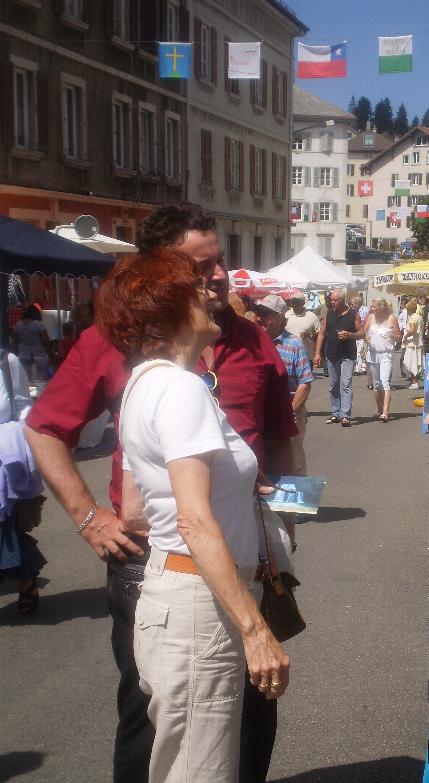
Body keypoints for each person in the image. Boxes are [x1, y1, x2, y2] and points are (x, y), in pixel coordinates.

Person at [25, 203, 298, 783]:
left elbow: (281, 438)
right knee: (158, 725)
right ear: (163, 282)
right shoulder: (137, 356)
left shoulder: (246, 340)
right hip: (176, 565)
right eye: (199, 269)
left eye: (219, 262)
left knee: (244, 718)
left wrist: (283, 523)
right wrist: (91, 518)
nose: (216, 277)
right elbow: (44, 427)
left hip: (240, 559)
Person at [95, 248, 290, 783]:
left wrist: (235, 490)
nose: (209, 291)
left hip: (176, 594)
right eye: (194, 286)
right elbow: (193, 521)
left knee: (183, 763)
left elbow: (137, 509)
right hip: (200, 603)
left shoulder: (142, 384)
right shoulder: (182, 389)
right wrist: (254, 630)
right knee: (200, 771)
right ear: (166, 312)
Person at [0, 348, 45, 614]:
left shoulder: (7, 361)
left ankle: (25, 582)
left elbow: (21, 406)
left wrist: (27, 448)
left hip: (3, 460)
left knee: (5, 529)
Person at [255, 295, 313, 477]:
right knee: (263, 459)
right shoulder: (254, 343)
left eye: (265, 314)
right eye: (258, 313)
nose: (259, 318)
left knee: (293, 461)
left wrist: (289, 413)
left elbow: (305, 383)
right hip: (261, 412)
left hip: (290, 410)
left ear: (280, 318)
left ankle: (296, 494)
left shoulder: (294, 344)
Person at [314, 289, 364, 427]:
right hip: (332, 354)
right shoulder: (329, 313)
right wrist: (317, 353)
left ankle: (345, 415)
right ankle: (336, 413)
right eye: (331, 300)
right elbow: (322, 333)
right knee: (334, 384)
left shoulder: (353, 314)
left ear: (343, 300)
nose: (332, 302)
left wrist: (350, 335)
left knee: (346, 384)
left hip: (348, 355)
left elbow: (362, 333)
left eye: (335, 300)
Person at [363, 299, 401, 422]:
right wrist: (366, 338)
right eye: (372, 306)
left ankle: (385, 412)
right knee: (376, 384)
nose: (371, 308)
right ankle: (379, 409)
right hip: (373, 354)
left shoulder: (391, 319)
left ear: (382, 307)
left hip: (386, 354)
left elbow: (399, 337)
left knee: (385, 382)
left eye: (374, 306)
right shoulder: (370, 317)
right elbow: (363, 332)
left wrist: (390, 335)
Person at [12, 305, 50, 381]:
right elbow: (46, 340)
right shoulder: (39, 324)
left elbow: (15, 341)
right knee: (41, 380)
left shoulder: (18, 324)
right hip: (39, 354)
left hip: (23, 354)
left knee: (25, 379)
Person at [285, 295, 320, 362]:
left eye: (297, 302)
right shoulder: (286, 315)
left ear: (303, 303)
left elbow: (320, 334)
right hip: (288, 356)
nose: (294, 304)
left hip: (307, 357)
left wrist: (310, 334)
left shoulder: (312, 316)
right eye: (293, 302)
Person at [402, 298, 424, 389]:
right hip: (418, 343)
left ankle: (414, 382)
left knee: (412, 363)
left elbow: (411, 330)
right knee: (415, 363)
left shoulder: (412, 318)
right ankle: (413, 381)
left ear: (409, 309)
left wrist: (405, 336)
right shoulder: (419, 317)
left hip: (412, 344)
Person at [351, 296, 369, 375]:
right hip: (357, 333)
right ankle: (363, 367)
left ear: (357, 304)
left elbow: (367, 321)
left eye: (352, 304)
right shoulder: (354, 311)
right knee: (361, 351)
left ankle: (358, 369)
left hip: (363, 333)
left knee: (360, 351)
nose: (351, 306)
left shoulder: (365, 310)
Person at [397, 296, 409, 379]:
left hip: (405, 335)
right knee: (403, 356)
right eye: (401, 303)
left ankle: (404, 371)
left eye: (403, 304)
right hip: (403, 335)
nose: (401, 305)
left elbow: (403, 325)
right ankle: (403, 371)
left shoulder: (405, 312)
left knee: (404, 356)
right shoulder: (402, 312)